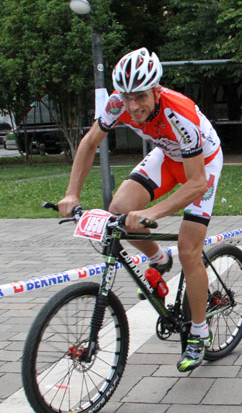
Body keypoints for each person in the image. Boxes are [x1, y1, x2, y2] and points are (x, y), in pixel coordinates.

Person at [58, 47, 224, 373]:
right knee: (120, 210)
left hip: (201, 166)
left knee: (190, 251)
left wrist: (155, 213)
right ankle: (159, 259)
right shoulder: (117, 104)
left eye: (141, 96)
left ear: (156, 89)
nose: (133, 106)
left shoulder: (180, 115)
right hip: (166, 156)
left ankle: (199, 332)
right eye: (127, 96)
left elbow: (196, 184)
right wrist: (71, 194)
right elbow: (90, 143)